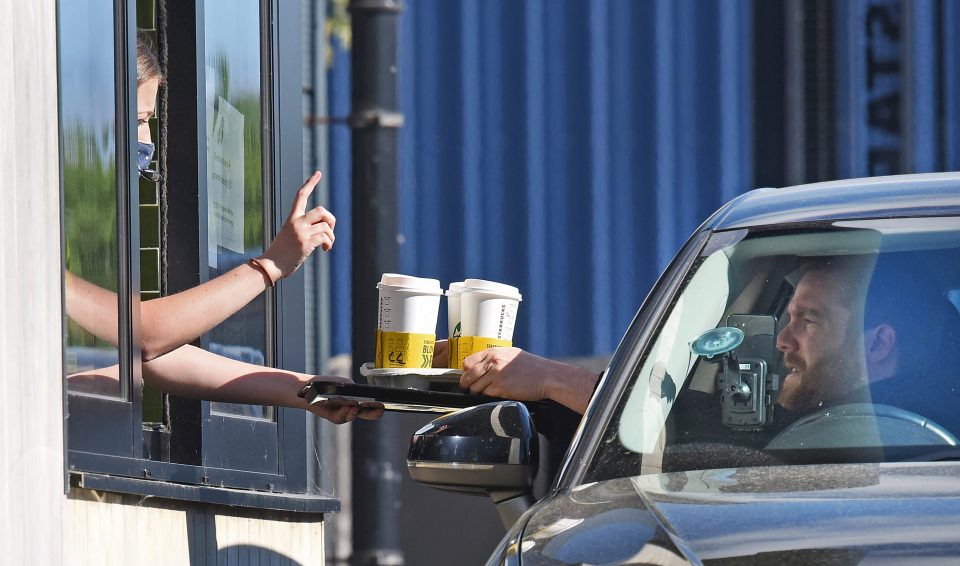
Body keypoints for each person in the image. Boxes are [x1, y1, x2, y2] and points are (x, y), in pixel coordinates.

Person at [66, 33, 381, 424]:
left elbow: (153, 353)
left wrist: (308, 388)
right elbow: (144, 337)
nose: (145, 142)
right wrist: (271, 265)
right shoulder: (34, 229)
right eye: (140, 121)